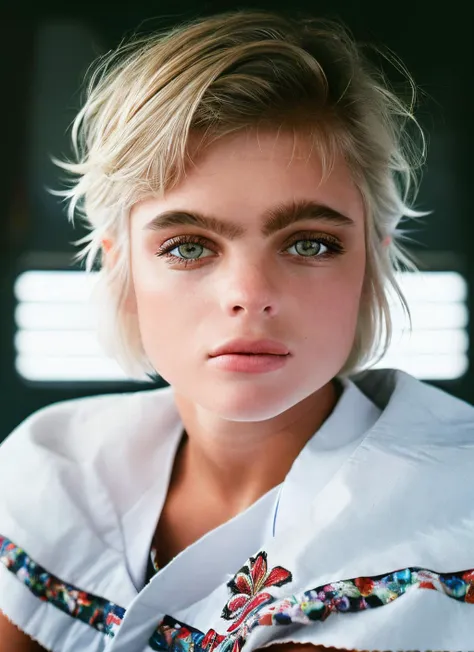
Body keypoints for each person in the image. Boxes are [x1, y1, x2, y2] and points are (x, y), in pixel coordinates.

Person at [0, 8, 473, 652]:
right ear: (122, 268)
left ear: (372, 263)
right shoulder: (50, 468)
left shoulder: (453, 508)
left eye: (309, 243)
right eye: (189, 247)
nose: (249, 296)